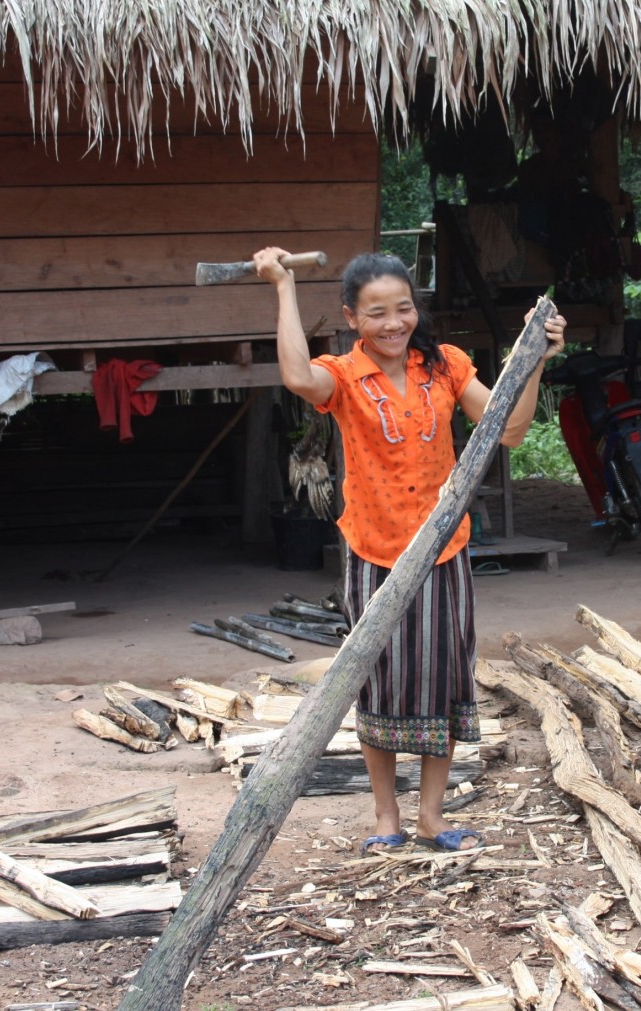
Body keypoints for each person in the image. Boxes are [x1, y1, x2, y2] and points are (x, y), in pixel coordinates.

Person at [254, 247, 566, 853]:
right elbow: (296, 376)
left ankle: (432, 816)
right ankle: (384, 817)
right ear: (352, 318)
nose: (393, 323)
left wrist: (535, 363)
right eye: (377, 313)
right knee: (377, 682)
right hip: (373, 553)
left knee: (444, 680)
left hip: (444, 551)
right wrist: (284, 287)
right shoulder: (342, 378)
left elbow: (510, 429)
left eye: (403, 309)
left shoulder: (446, 367)